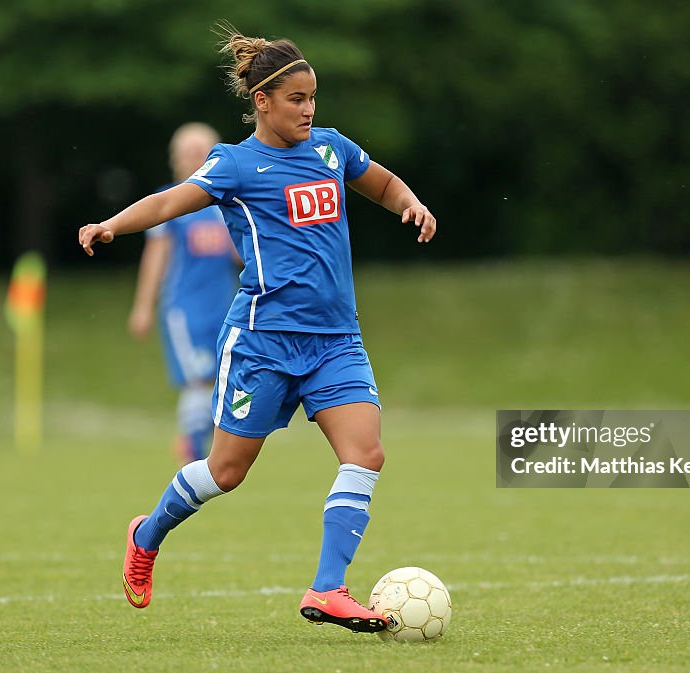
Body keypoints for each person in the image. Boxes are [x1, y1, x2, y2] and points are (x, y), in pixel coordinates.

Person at [79, 27, 436, 633]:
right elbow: (169, 203)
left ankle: (328, 589)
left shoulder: (330, 149)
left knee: (366, 452)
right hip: (263, 342)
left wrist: (410, 202)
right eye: (296, 98)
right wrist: (113, 224)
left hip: (335, 341)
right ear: (263, 102)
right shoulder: (236, 163)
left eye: (313, 97)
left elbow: (379, 181)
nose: (309, 109)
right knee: (226, 472)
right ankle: (148, 531)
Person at [127, 122, 242, 465]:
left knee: (226, 378)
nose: (194, 159)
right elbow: (156, 258)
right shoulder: (170, 202)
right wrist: (143, 307)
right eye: (188, 153)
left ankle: (207, 449)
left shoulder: (227, 204)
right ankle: (192, 450)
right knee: (200, 377)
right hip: (185, 311)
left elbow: (243, 254)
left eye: (201, 153)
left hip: (226, 306)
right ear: (174, 158)